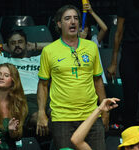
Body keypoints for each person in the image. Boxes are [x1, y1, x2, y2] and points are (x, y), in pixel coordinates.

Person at [36, 4, 107, 150]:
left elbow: (98, 80)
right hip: (62, 118)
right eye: (67, 18)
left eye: (75, 18)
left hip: (91, 115)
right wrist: (42, 112)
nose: (73, 22)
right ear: (59, 24)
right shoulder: (49, 51)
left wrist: (104, 111)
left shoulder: (91, 47)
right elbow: (43, 84)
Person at [0, 30, 50, 129]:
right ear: (8, 46)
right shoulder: (3, 61)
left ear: (26, 44)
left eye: (20, 42)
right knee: (36, 117)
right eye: (13, 43)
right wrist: (2, 47)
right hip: (22, 97)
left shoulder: (38, 59)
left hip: (44, 95)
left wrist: (34, 45)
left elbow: (61, 47)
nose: (17, 45)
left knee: (57, 114)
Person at [107, 0, 139, 131]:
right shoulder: (126, 3)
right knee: (131, 99)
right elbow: (118, 33)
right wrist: (113, 62)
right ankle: (129, 135)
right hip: (130, 53)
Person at [79, 0, 108, 84]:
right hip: (82, 79)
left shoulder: (93, 41)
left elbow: (104, 29)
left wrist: (91, 12)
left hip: (96, 78)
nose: (83, 29)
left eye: (85, 27)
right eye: (80, 27)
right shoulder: (71, 43)